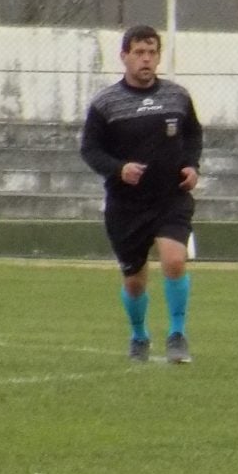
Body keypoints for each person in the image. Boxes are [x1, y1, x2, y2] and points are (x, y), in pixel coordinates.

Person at [79, 24, 202, 363]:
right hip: (126, 205)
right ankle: (139, 336)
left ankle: (177, 335)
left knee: (174, 260)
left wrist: (192, 166)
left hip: (170, 197)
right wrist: (119, 169)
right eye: (139, 53)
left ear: (158, 56)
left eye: (152, 53)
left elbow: (193, 135)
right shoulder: (106, 103)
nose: (146, 60)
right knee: (135, 281)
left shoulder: (177, 96)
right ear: (124, 57)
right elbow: (90, 150)